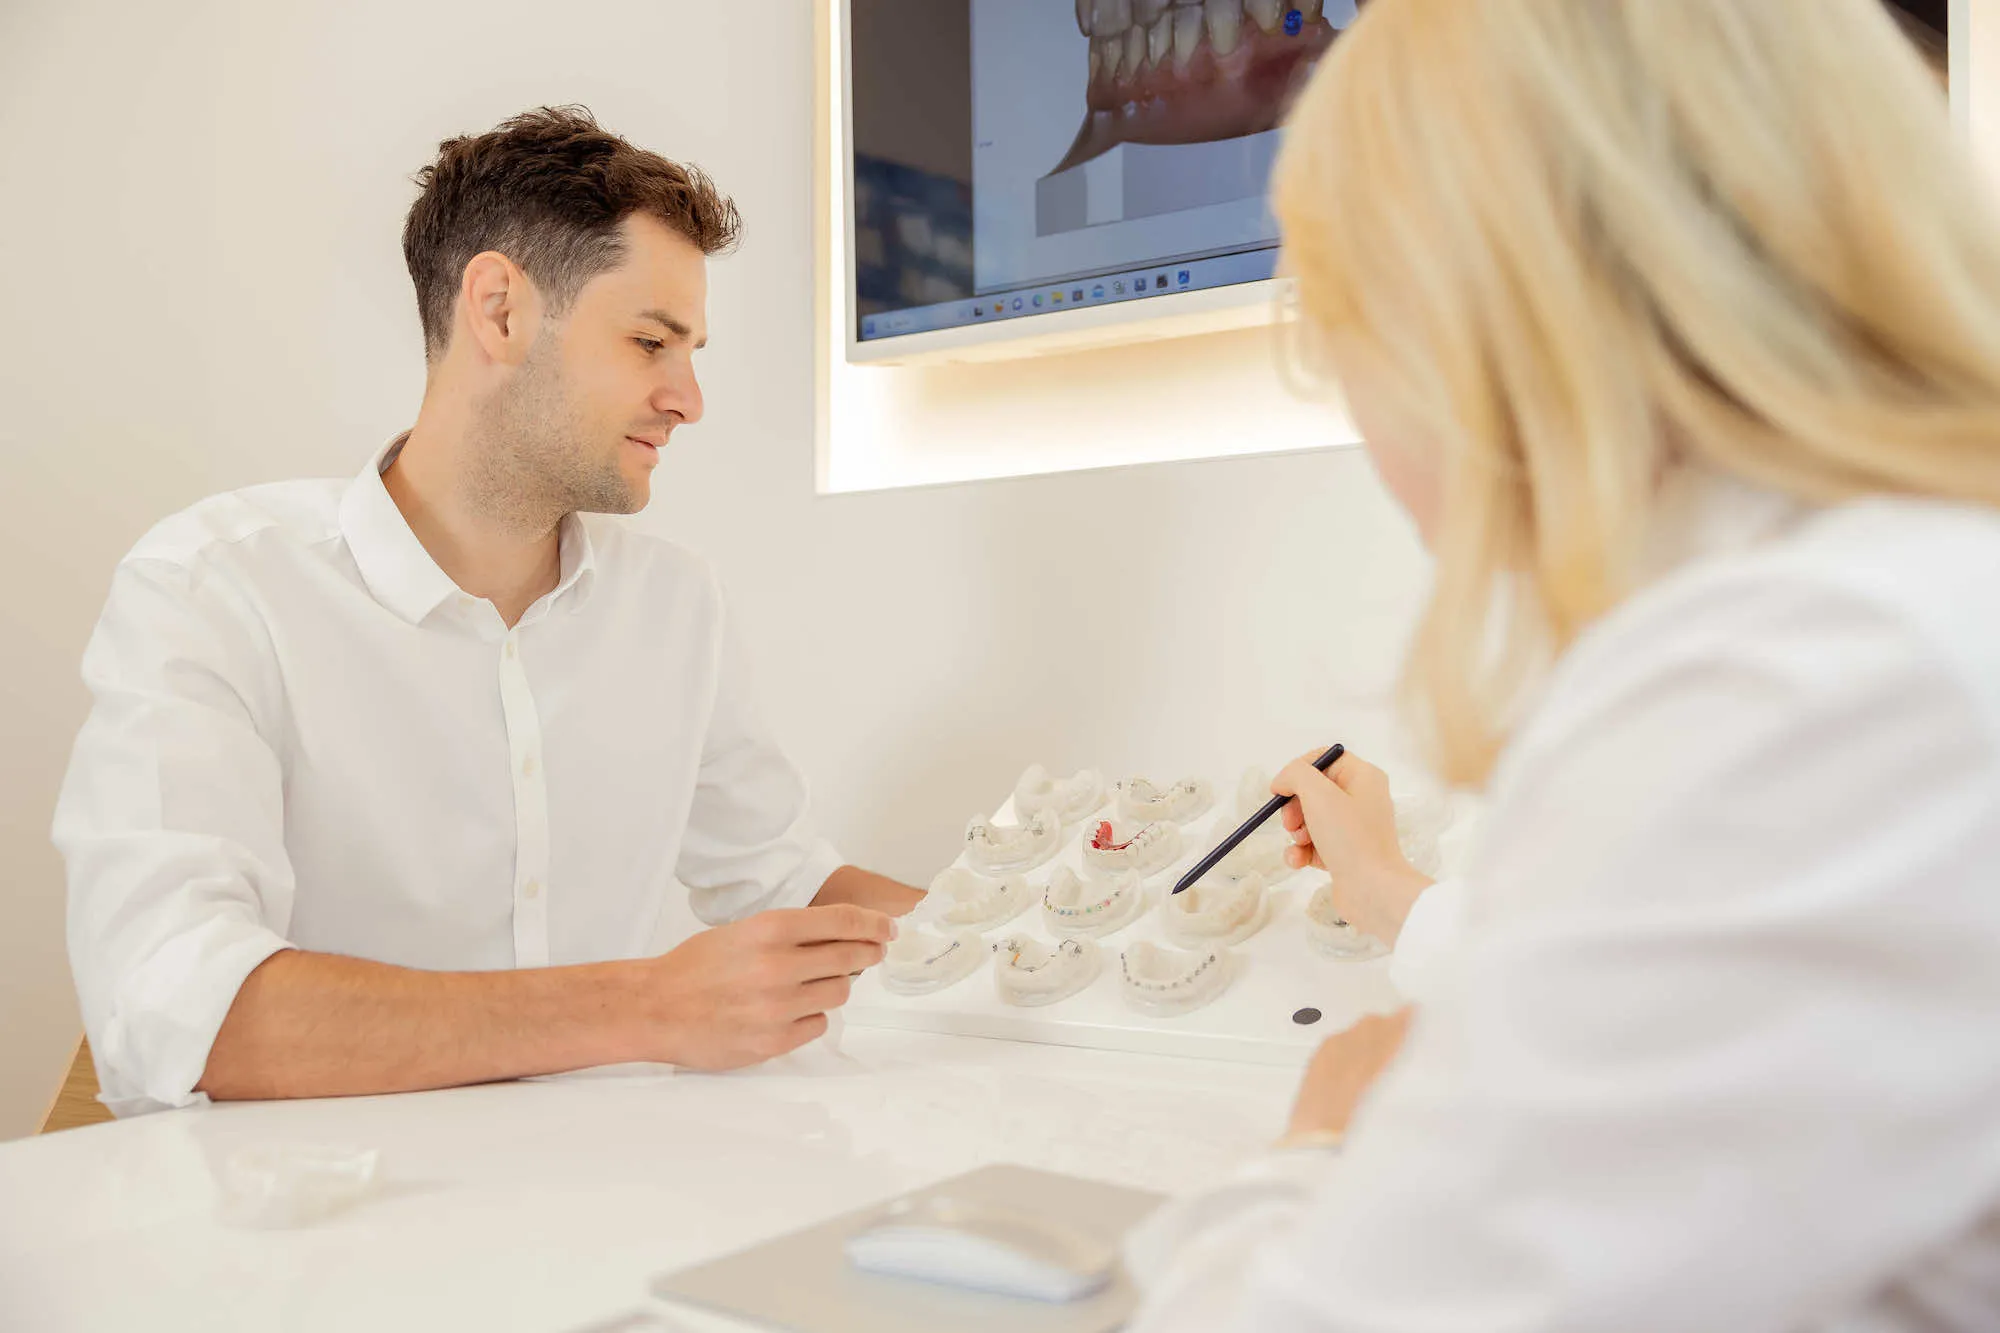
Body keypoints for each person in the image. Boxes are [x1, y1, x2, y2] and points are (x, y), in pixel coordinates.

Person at [1126, 1, 2000, 1328]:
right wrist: (1392, 893)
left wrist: (1306, 1157)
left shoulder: (1798, 681)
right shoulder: (1904, 601)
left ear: (1460, 308)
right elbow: (1724, 990)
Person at [53, 107, 920, 1118]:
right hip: (311, 1242)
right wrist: (645, 1006)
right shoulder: (213, 589)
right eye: (650, 340)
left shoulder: (674, 606)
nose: (687, 397)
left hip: (612, 1210)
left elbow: (787, 884)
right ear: (499, 311)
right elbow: (178, 1010)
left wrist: (1064, 932)